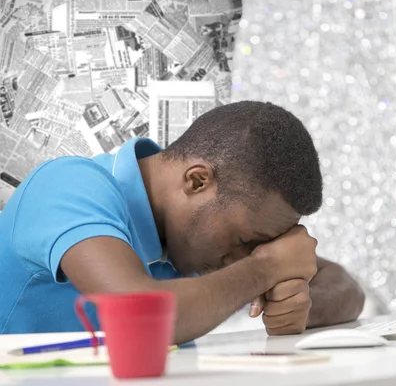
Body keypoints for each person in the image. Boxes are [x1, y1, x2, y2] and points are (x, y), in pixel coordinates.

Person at [0, 101, 365, 343]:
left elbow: (344, 287)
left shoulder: (188, 240)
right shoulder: (67, 186)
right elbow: (140, 316)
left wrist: (296, 304)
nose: (240, 259)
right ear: (197, 181)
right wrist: (264, 269)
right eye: (243, 241)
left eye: (256, 250)